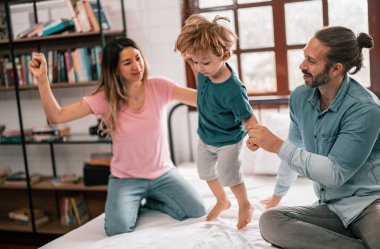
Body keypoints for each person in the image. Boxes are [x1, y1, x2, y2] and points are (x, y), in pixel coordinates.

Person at [29, 37, 206, 236]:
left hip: (163, 174)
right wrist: (42, 79)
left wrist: (197, 65)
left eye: (138, 58)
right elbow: (56, 116)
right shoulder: (106, 97)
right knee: (117, 229)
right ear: (115, 69)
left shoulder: (159, 86)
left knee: (197, 211)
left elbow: (202, 100)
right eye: (127, 62)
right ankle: (142, 200)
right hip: (126, 179)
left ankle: (155, 200)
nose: (136, 66)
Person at [246, 26, 380, 249]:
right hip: (330, 208)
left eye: (311, 61)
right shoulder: (300, 97)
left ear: (336, 69)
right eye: (304, 56)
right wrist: (277, 195)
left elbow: (334, 174)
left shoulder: (365, 109)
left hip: (369, 204)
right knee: (271, 221)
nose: (302, 66)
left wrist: (276, 145)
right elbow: (295, 147)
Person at [174, 14, 259, 230]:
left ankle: (245, 204)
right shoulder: (203, 68)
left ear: (225, 55)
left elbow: (248, 116)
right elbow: (190, 50)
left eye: (205, 62)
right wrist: (193, 30)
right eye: (195, 61)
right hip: (206, 136)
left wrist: (255, 135)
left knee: (230, 175)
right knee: (204, 172)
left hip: (229, 139)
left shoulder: (233, 90)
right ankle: (222, 200)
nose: (199, 67)